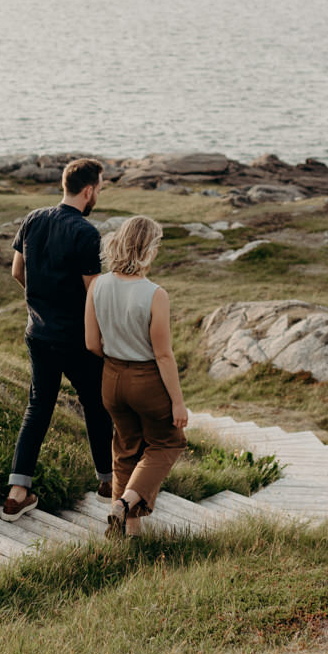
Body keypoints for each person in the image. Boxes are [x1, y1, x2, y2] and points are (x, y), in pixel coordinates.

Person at [1, 158, 115, 520]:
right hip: (76, 338)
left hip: (39, 333)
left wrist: (41, 302)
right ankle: (109, 482)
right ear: (88, 190)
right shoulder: (86, 232)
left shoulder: (33, 219)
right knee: (96, 405)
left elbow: (18, 271)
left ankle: (18, 492)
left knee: (39, 407)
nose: (99, 194)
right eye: (100, 188)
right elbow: (93, 292)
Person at [84, 215, 188, 537]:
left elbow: (91, 343)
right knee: (167, 442)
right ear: (148, 249)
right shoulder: (155, 293)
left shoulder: (98, 284)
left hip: (111, 379)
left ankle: (128, 533)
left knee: (126, 448)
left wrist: (117, 360)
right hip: (146, 380)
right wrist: (178, 404)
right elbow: (163, 355)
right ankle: (125, 503)